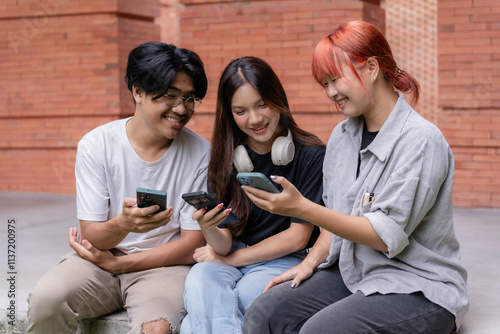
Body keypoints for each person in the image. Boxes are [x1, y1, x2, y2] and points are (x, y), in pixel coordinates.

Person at [242, 21, 469, 334]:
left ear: (372, 68)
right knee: (263, 315)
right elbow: (335, 222)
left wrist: (301, 208)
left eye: (335, 79)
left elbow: (384, 236)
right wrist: (307, 265)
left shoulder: (421, 140)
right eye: (324, 84)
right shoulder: (341, 136)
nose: (330, 92)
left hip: (418, 286)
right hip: (354, 272)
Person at [27, 41, 210, 334]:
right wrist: (124, 224)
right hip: (98, 263)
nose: (181, 109)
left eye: (190, 99)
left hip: (162, 267)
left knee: (157, 329)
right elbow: (93, 235)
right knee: (46, 301)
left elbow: (191, 245)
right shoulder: (97, 145)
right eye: (170, 96)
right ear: (138, 92)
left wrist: (120, 265)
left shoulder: (201, 153)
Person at [180, 56, 326, 334]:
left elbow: (298, 236)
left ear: (278, 99)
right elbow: (222, 245)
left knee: (240, 298)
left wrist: (231, 260)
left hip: (285, 257)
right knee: (200, 281)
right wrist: (209, 228)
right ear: (229, 114)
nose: (256, 119)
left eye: (262, 104)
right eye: (241, 111)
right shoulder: (226, 157)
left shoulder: (311, 155)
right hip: (232, 252)